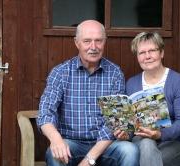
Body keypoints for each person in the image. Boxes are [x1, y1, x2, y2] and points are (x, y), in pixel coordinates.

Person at [36, 20, 139, 166]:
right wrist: (56, 139)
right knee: (55, 154)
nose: (93, 47)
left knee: (130, 150)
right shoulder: (60, 73)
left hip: (105, 145)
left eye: (98, 41)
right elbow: (45, 112)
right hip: (71, 144)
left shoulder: (115, 73)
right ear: (77, 43)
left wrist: (89, 160)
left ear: (105, 42)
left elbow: (116, 122)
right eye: (87, 41)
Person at [116, 32, 180, 166]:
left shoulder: (178, 81)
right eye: (142, 52)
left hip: (174, 143)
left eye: (152, 51)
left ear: (161, 53)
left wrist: (159, 134)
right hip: (141, 141)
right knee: (146, 143)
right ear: (137, 57)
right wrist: (125, 133)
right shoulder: (132, 83)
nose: (147, 56)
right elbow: (130, 122)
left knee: (144, 156)